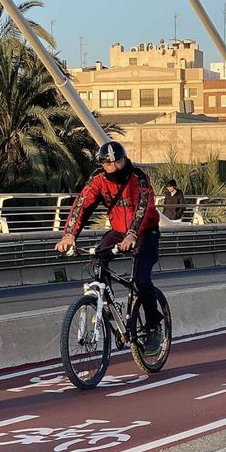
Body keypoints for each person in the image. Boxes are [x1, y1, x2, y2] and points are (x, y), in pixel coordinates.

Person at [55, 141, 163, 353]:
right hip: (118, 231)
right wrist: (69, 235)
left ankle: (153, 327)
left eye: (119, 162)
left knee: (141, 280)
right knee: (98, 259)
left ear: (125, 159)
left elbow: (144, 207)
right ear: (102, 164)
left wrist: (132, 234)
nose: (115, 168)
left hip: (144, 232)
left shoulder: (138, 178)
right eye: (109, 164)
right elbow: (82, 205)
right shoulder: (98, 180)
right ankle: (108, 304)